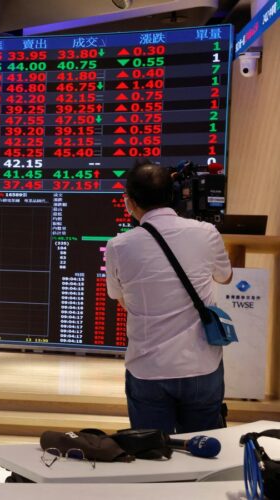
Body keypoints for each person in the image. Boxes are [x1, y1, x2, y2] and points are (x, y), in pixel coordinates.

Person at [105, 162, 232, 434]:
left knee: (151, 456)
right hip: (202, 366)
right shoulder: (206, 233)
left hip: (148, 369)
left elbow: (119, 298)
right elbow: (225, 277)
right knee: (203, 454)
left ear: (129, 202)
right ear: (173, 195)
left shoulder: (118, 246)